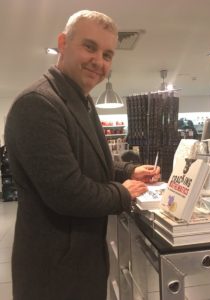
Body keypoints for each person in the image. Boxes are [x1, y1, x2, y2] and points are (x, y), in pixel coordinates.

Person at [5, 10, 160, 300]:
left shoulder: (81, 101)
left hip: (80, 262)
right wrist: (123, 194)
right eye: (90, 47)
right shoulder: (38, 104)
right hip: (53, 272)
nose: (99, 62)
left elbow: (92, 160)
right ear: (63, 43)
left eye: (108, 54)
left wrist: (129, 172)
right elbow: (67, 192)